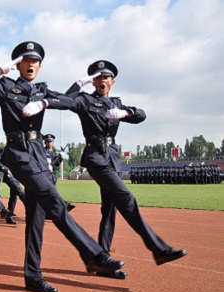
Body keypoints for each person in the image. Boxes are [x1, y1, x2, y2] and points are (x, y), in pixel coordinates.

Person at [0, 41, 124, 292]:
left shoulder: (42, 90)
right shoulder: (6, 87)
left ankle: (32, 276)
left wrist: (77, 86)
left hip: (39, 156)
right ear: (18, 64)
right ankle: (94, 254)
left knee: (36, 220)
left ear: (40, 66)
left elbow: (67, 101)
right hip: (18, 154)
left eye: (35, 61)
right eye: (25, 61)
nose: (30, 65)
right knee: (55, 202)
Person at [49, 60, 187, 278]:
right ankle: (158, 249)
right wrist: (78, 84)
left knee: (110, 209)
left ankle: (101, 262)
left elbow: (142, 115)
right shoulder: (85, 100)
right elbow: (65, 101)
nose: (102, 80)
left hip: (112, 158)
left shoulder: (116, 103)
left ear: (112, 82)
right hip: (95, 157)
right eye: (97, 77)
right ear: (93, 81)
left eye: (106, 78)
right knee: (127, 198)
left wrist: (127, 112)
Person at [43, 133, 76, 212]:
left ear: (53, 142)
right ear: (45, 142)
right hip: (46, 175)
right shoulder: (43, 151)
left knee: (50, 195)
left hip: (52, 176)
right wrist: (58, 157)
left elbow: (56, 165)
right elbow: (50, 164)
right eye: (47, 141)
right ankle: (65, 205)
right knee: (52, 193)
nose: (49, 143)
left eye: (50, 141)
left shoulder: (53, 152)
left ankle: (48, 212)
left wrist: (60, 157)